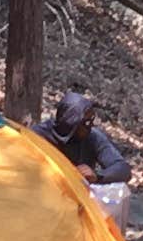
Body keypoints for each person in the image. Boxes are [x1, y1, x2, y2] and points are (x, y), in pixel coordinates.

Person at [39, 86, 134, 222]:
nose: (90, 126)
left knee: (120, 190)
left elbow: (123, 169)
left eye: (92, 121)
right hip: (45, 201)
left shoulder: (92, 137)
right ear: (72, 123)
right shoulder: (39, 136)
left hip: (81, 204)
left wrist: (98, 176)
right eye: (86, 123)